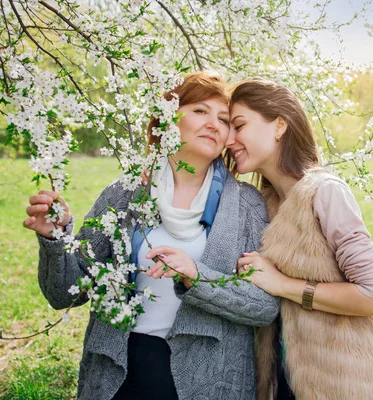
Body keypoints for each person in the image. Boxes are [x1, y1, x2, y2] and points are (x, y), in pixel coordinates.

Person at [23, 71, 279, 400]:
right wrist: (56, 241)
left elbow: (264, 308)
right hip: (119, 374)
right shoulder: (125, 193)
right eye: (201, 111)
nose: (214, 124)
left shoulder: (246, 206)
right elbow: (65, 294)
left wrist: (196, 277)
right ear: (168, 120)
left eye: (225, 119)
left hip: (208, 380)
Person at [226, 79, 373, 400]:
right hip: (282, 382)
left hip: (341, 382)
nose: (229, 139)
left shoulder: (325, 193)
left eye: (238, 125)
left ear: (279, 125)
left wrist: (283, 285)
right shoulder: (261, 203)